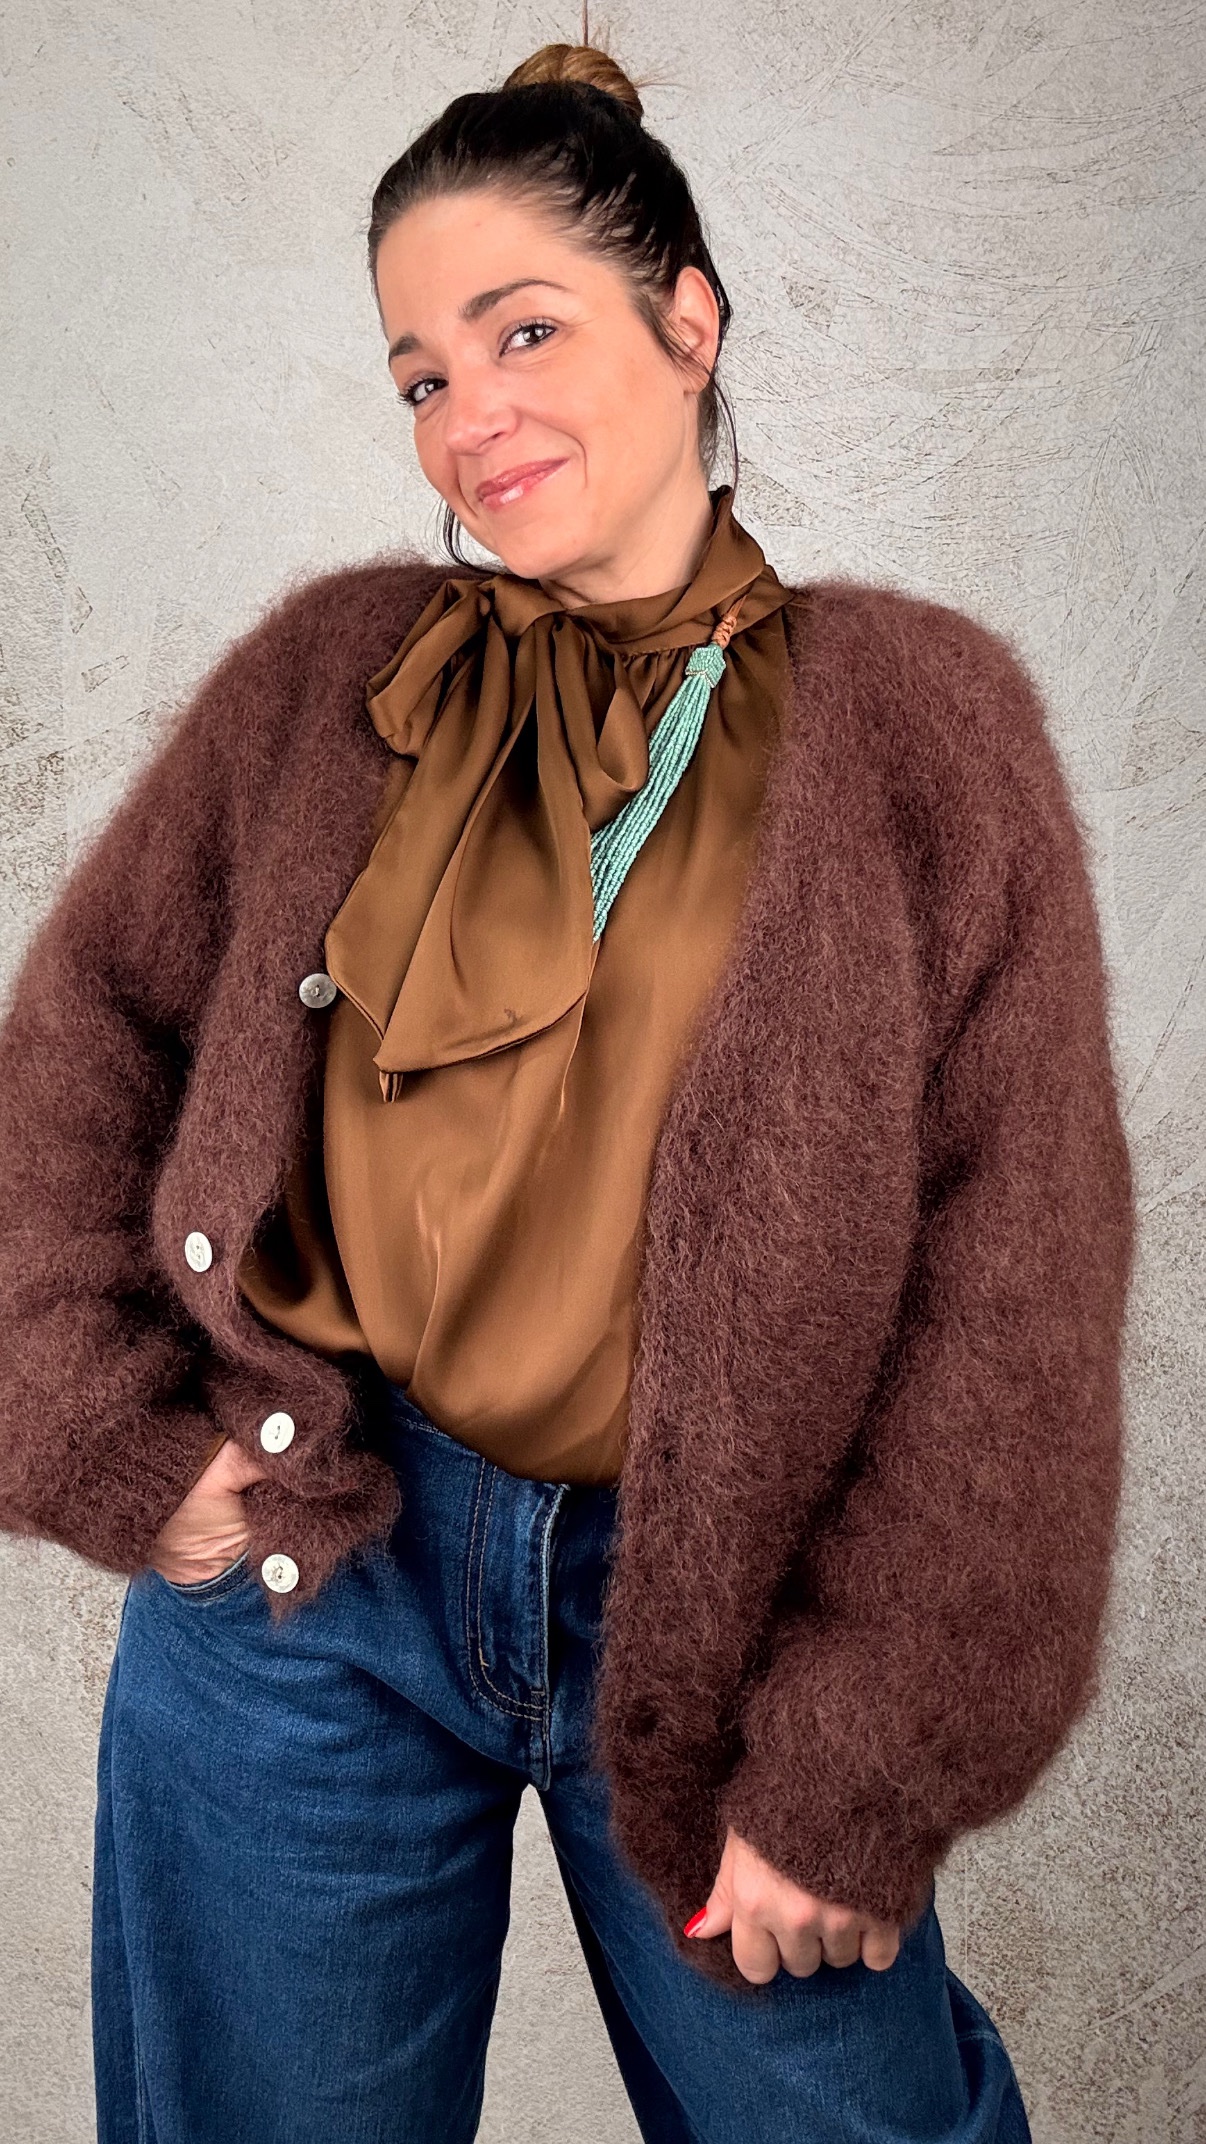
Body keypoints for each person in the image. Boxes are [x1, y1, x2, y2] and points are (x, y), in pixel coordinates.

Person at [0, 33, 1134, 2144]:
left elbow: (1016, 1297)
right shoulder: (335, 673)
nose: (470, 414)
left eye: (524, 331)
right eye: (421, 371)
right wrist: (99, 1426)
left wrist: (860, 1765)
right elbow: (83, 1045)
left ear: (687, 321)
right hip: (312, 1576)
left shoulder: (923, 727)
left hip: (724, 1608)